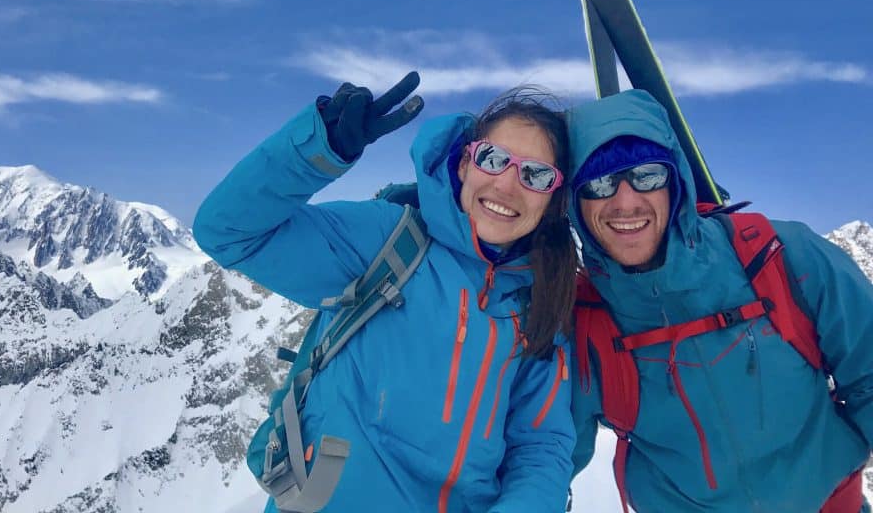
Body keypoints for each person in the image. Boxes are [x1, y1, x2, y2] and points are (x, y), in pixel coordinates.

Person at [193, 72, 577, 512]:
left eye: (535, 174)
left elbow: (540, 446)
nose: (507, 185)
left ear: (553, 197)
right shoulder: (388, 240)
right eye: (493, 159)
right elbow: (227, 231)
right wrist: (319, 149)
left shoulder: (541, 297)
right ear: (464, 163)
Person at [567, 88, 873, 513]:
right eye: (598, 183)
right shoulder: (582, 321)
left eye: (648, 175)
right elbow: (550, 450)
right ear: (574, 203)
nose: (625, 201)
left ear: (676, 181)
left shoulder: (780, 257)